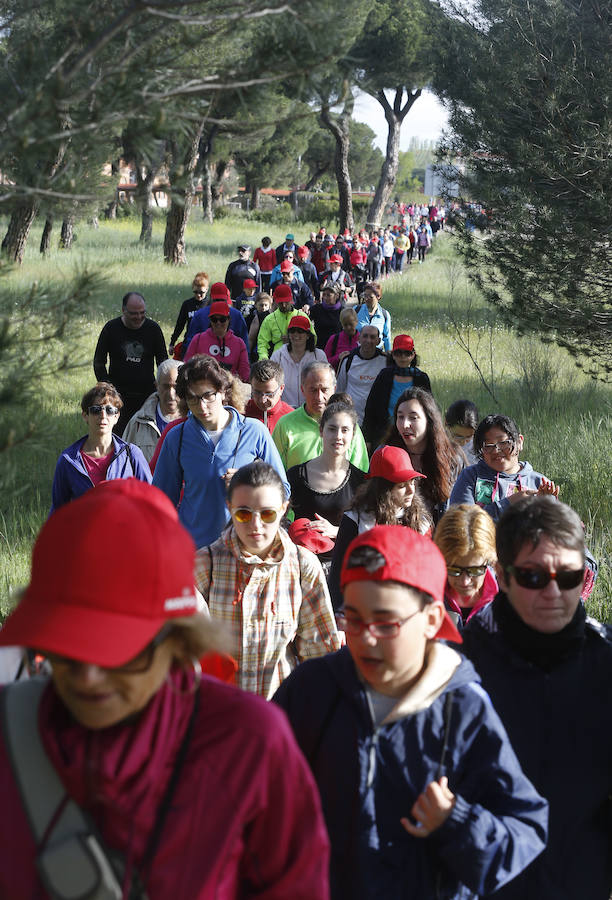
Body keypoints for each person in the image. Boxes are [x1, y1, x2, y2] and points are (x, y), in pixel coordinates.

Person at [0, 479, 331, 898]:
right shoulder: (10, 733)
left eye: (119, 653)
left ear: (180, 642)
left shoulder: (248, 745)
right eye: (67, 649)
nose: (88, 677)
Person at [274, 524, 548, 899]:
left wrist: (457, 821)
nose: (366, 637)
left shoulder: (463, 710)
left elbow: (525, 830)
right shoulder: (312, 689)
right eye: (353, 618)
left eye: (386, 623)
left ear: (432, 620)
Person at [461, 495, 612, 899]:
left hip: (580, 883)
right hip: (485, 883)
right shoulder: (458, 668)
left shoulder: (605, 662)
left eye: (569, 576)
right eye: (533, 577)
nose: (553, 591)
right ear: (502, 575)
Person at [194, 462, 341, 700]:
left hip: (281, 711)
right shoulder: (204, 565)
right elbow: (186, 653)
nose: (256, 525)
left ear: (283, 509)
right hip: (219, 711)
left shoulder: (303, 566)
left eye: (267, 514)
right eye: (243, 514)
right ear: (229, 508)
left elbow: (320, 655)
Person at [153, 356, 288, 549]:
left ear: (223, 392)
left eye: (208, 395)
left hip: (244, 548)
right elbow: (161, 501)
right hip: (193, 550)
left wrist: (248, 482)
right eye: (193, 398)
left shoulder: (255, 431)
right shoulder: (177, 437)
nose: (202, 406)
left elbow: (283, 490)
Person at [329, 444, 432, 608]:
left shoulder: (421, 523)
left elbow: (428, 574)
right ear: (383, 490)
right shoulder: (355, 520)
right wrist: (342, 613)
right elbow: (338, 575)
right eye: (402, 486)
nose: (411, 490)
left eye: (413, 482)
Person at [51, 382, 151, 512]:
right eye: (96, 410)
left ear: (116, 416)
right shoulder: (68, 460)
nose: (103, 415)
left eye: (109, 410)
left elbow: (150, 500)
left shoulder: (131, 455)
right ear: (85, 415)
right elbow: (58, 512)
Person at [287, 402, 366, 565]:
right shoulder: (295, 475)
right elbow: (278, 518)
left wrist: (336, 531)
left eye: (345, 430)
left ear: (353, 434)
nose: (338, 436)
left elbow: (368, 530)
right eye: (332, 429)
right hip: (301, 565)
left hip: (343, 567)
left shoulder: (361, 481)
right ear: (321, 431)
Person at [449, 413, 559, 521]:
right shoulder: (470, 477)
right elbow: (461, 522)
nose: (496, 451)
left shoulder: (539, 483)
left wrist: (545, 506)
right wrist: (508, 503)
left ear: (519, 442)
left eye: (503, 443)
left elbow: (555, 527)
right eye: (488, 446)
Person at [93, 291, 168, 435]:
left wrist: (161, 384)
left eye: (142, 313)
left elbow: (163, 361)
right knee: (118, 436)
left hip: (147, 395)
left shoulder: (153, 329)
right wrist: (106, 386)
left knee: (143, 435)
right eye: (134, 313)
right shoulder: (111, 328)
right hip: (117, 395)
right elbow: (99, 362)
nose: (138, 317)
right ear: (123, 310)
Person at [272, 361, 369, 472]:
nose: (319, 397)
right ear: (302, 390)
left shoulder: (348, 426)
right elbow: (275, 472)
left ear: (334, 388)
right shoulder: (285, 424)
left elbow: (360, 471)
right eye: (313, 390)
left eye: (324, 390)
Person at [382, 386, 459, 523]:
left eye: (413, 418)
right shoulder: (386, 454)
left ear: (429, 420)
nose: (405, 424)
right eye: (400, 417)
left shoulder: (451, 457)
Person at [433, 503, 498, 630]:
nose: (465, 581)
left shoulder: (506, 598)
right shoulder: (426, 596)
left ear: (489, 560)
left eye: (475, 570)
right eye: (454, 570)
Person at [362, 334, 432, 448]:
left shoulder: (421, 378)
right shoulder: (384, 376)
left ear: (413, 355)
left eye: (407, 353)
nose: (403, 357)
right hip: (384, 435)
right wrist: (367, 438)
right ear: (393, 355)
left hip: (413, 434)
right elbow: (371, 408)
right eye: (398, 353)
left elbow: (428, 410)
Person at [123, 359, 184, 462]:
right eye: (166, 387)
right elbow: (124, 460)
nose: (171, 394)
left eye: (176, 387)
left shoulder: (196, 421)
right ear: (157, 386)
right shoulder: (138, 422)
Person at [183, 300, 250, 381]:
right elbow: (187, 367)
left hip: (229, 385)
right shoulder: (198, 339)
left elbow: (244, 374)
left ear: (228, 319)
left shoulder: (239, 343)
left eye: (222, 319)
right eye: (214, 319)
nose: (218, 323)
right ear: (210, 320)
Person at [271, 314, 327, 408]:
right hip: (285, 410)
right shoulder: (278, 356)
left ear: (308, 335)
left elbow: (327, 383)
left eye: (300, 331)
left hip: (312, 409)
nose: (296, 334)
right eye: (292, 331)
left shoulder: (319, 356)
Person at [336, 324, 387, 425]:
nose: (368, 340)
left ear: (378, 341)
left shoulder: (386, 361)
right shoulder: (348, 360)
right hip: (351, 418)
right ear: (359, 338)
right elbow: (339, 390)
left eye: (372, 337)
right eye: (365, 336)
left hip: (376, 420)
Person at [184, 282, 250, 356]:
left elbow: (244, 343)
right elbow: (191, 342)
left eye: (221, 300)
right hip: (207, 359)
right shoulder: (237, 314)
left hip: (223, 358)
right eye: (217, 300)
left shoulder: (199, 314)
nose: (219, 303)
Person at [257, 283, 315, 360]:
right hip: (277, 359)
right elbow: (262, 342)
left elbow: (313, 338)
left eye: (286, 302)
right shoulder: (269, 319)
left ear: (291, 299)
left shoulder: (302, 316)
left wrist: (293, 339)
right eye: (280, 303)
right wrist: (263, 358)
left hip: (301, 358)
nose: (284, 305)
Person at [244, 359, 294, 432]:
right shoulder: (241, 413)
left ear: (281, 389)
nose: (262, 400)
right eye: (257, 392)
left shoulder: (292, 418)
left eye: (269, 394)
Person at [168, 271, 209, 357]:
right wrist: (172, 343)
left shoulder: (210, 304)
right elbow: (180, 324)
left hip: (206, 343)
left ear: (207, 289)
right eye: (195, 292)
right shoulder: (187, 304)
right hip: (190, 342)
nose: (198, 295)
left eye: (201, 292)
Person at [355, 282, 391, 351]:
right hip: (359, 353)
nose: (366, 299)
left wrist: (388, 354)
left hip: (378, 353)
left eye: (370, 297)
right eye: (365, 296)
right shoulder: (356, 310)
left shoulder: (385, 315)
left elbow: (387, 338)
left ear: (378, 297)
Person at [445, 399, 479, 465]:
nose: (463, 442)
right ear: (446, 424)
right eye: (458, 436)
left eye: (468, 437)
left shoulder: (479, 446)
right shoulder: (437, 444)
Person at [310, 283, 343, 349]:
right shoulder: (316, 309)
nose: (325, 298)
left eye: (328, 295)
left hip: (337, 347)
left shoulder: (342, 311)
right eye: (324, 294)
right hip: (320, 347)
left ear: (337, 296)